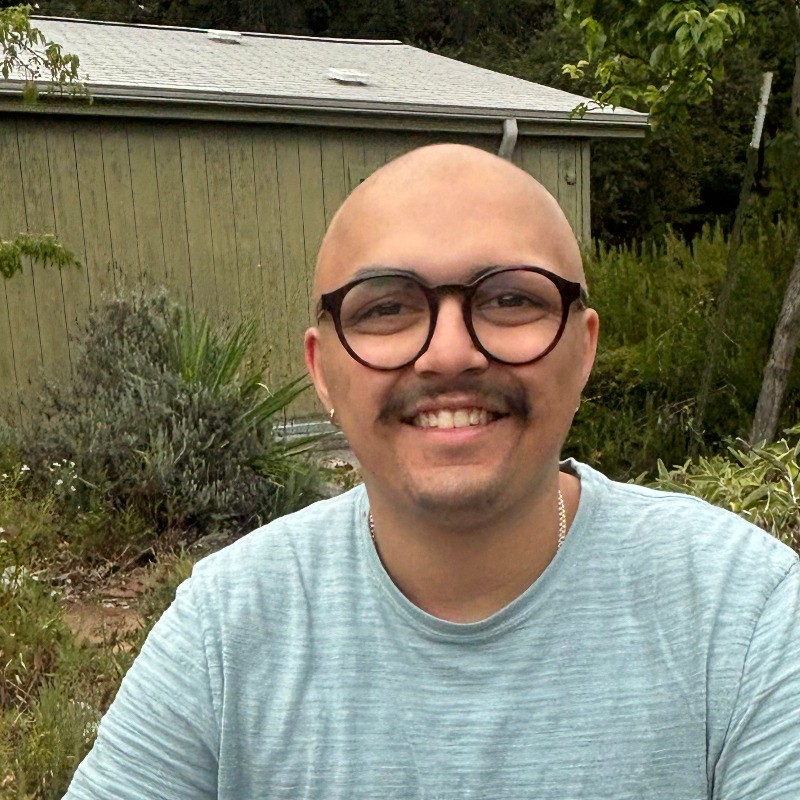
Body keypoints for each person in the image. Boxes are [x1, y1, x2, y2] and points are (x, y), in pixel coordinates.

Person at [64, 144, 800, 799]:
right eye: (387, 308)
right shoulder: (226, 631)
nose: (449, 354)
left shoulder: (745, 616)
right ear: (322, 371)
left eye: (510, 298)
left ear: (584, 349)